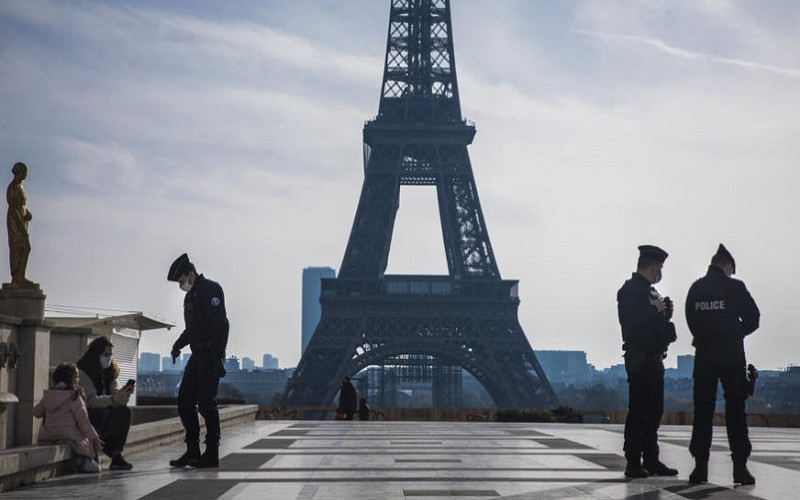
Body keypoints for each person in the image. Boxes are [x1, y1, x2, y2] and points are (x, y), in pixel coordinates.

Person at [685, 244, 760, 485]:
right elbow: (754, 318)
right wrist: (735, 333)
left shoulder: (696, 288)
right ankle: (740, 468)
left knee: (702, 411)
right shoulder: (734, 287)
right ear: (727, 266)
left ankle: (700, 468)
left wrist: (709, 337)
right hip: (731, 355)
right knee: (736, 411)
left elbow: (691, 320)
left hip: (704, 355)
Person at [616, 245, 678, 478]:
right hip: (640, 359)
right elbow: (631, 326)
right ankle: (633, 461)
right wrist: (652, 310)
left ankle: (651, 459)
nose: (660, 271)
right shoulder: (630, 291)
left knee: (653, 413)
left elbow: (659, 329)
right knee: (639, 412)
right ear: (652, 267)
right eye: (659, 267)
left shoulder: (652, 293)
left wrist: (665, 315)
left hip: (654, 358)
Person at [167, 253, 229, 468]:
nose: (181, 286)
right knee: (185, 400)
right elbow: (192, 330)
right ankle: (192, 450)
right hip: (197, 355)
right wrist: (178, 345)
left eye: (182, 281)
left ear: (191, 274)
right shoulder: (191, 296)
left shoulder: (211, 289)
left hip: (210, 354)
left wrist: (218, 357)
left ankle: (212, 452)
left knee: (206, 403)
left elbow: (221, 325)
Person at [76, 336, 134, 471]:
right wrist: (113, 399)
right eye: (105, 354)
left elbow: (115, 395)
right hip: (91, 417)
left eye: (110, 355)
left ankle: (117, 455)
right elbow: (91, 401)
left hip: (105, 414)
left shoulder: (109, 372)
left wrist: (124, 395)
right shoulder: (84, 373)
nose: (108, 358)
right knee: (102, 413)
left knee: (124, 412)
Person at [34, 363, 104, 473]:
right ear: (69, 378)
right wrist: (95, 438)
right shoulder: (74, 396)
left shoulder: (49, 395)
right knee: (85, 440)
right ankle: (86, 462)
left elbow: (37, 413)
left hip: (49, 435)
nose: (78, 379)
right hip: (69, 435)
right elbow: (83, 421)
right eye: (76, 376)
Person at [6, 162, 35, 287]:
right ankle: (17, 277)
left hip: (21, 220)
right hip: (15, 222)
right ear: (20, 172)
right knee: (19, 247)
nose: (26, 174)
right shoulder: (13, 187)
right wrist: (22, 228)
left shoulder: (20, 187)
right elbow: (14, 208)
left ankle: (21, 276)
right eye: (25, 171)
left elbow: (21, 206)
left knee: (24, 248)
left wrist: (27, 213)